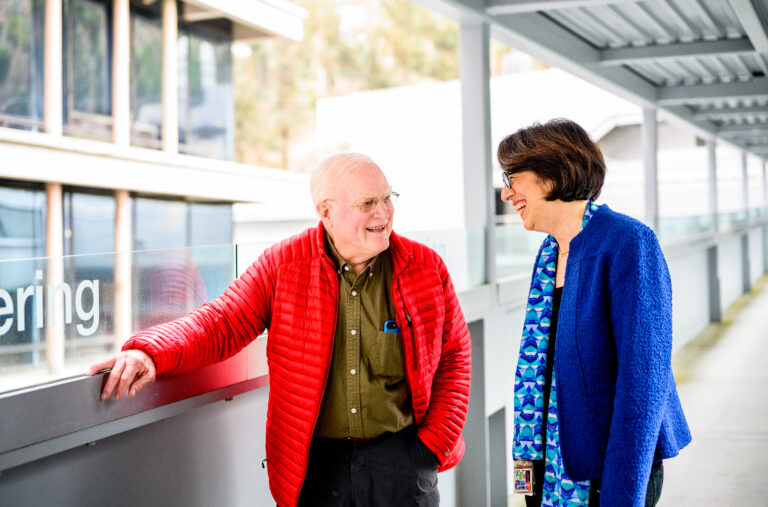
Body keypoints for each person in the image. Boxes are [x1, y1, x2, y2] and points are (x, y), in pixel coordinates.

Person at [87, 152, 471, 507]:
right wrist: (149, 351)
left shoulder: (425, 267)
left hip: (403, 461)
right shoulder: (283, 264)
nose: (384, 212)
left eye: (388, 197)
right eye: (367, 203)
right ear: (327, 212)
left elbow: (455, 356)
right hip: (317, 468)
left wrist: (429, 448)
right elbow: (220, 323)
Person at [497, 119, 691, 507]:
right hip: (548, 466)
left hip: (609, 473)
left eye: (512, 176)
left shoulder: (628, 242)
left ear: (552, 173)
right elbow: (540, 370)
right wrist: (526, 479)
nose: (505, 193)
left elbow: (644, 383)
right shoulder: (551, 252)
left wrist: (622, 494)